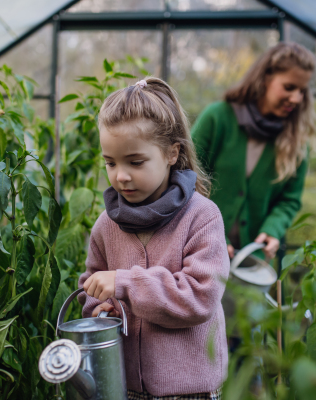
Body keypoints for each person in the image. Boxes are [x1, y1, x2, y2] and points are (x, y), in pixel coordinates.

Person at [78, 77, 230, 400]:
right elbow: (91, 288)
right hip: (126, 388)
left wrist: (125, 284)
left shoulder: (201, 217)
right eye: (110, 162)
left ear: (172, 153)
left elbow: (200, 297)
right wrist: (101, 306)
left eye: (135, 162)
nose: (121, 175)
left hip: (191, 391)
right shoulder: (106, 225)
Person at [191, 42, 316, 261]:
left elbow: (289, 200)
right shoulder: (218, 118)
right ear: (265, 78)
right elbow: (186, 177)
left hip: (254, 262)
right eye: (289, 87)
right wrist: (212, 233)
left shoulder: (296, 141)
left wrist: (273, 229)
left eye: (302, 91)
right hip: (199, 252)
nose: (296, 98)